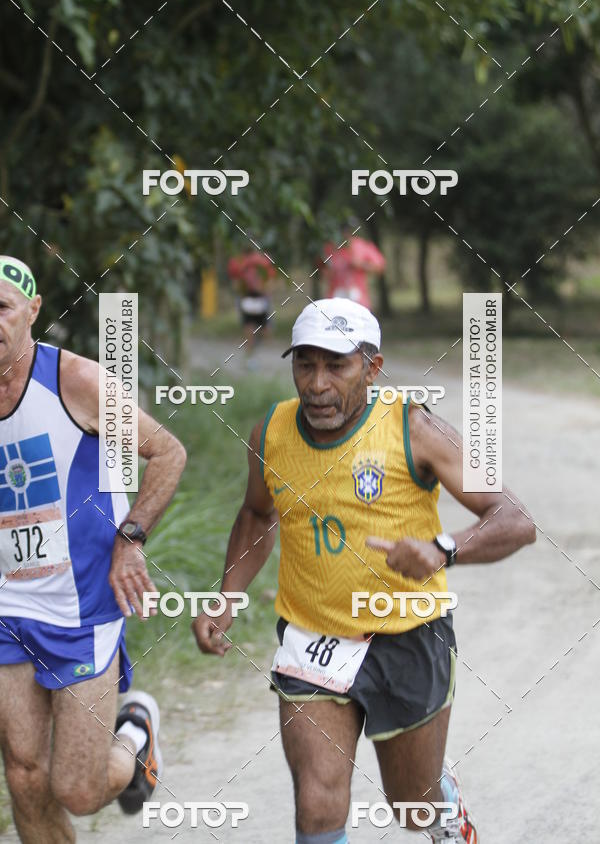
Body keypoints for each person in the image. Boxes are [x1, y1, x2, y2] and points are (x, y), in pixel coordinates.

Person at [194, 296, 536, 843]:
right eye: (305, 364)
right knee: (317, 804)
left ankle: (442, 804)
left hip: (408, 637)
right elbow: (258, 514)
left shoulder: (414, 428)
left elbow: (514, 518)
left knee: (413, 806)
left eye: (337, 365)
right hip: (313, 640)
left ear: (372, 367)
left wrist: (444, 549)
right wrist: (228, 595)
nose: (317, 384)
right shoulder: (270, 433)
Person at [0, 256, 187, 841]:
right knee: (24, 775)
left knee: (77, 790)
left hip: (81, 607)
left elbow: (167, 452)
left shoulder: (75, 381)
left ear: (32, 311)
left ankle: (136, 736)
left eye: (1, 307)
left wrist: (131, 539)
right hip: (8, 605)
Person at [320, 227, 386, 309]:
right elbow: (322, 271)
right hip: (335, 300)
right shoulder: (329, 247)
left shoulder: (361, 245)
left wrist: (361, 264)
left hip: (359, 300)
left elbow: (380, 267)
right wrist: (327, 272)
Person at [227, 248, 276, 357]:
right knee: (263, 327)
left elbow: (235, 283)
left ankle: (251, 354)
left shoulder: (238, 261)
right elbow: (270, 281)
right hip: (258, 296)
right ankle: (261, 354)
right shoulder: (263, 259)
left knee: (250, 326)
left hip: (249, 297)